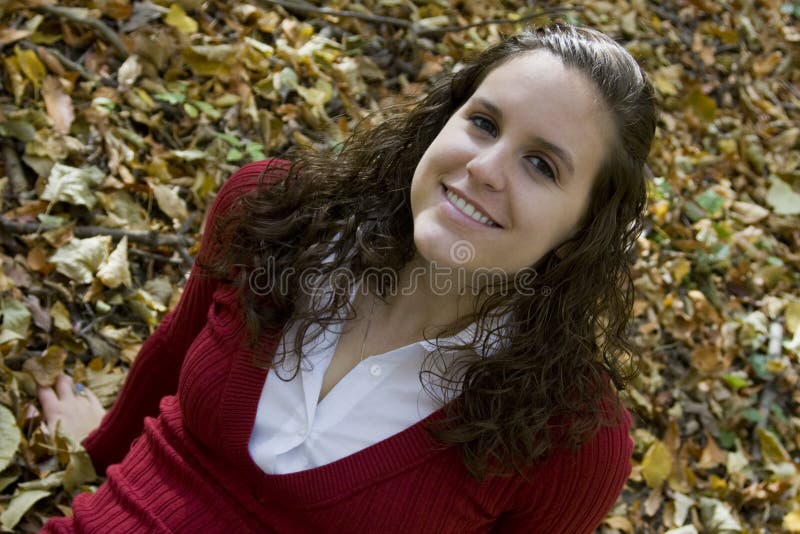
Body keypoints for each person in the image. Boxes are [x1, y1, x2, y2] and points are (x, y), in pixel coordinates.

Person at [37, 23, 656, 533]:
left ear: (584, 228)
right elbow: (173, 350)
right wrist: (89, 450)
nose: (484, 168)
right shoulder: (272, 213)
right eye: (484, 123)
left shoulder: (571, 438)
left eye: (542, 165)